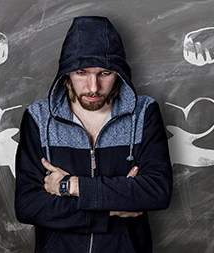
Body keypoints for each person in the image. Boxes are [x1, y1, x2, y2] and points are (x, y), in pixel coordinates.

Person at [15, 16, 173, 253]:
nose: (93, 87)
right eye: (81, 72)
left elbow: (156, 192)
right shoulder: (38, 117)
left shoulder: (144, 113)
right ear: (66, 73)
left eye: (105, 73)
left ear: (118, 73)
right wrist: (110, 210)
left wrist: (72, 186)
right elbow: (28, 206)